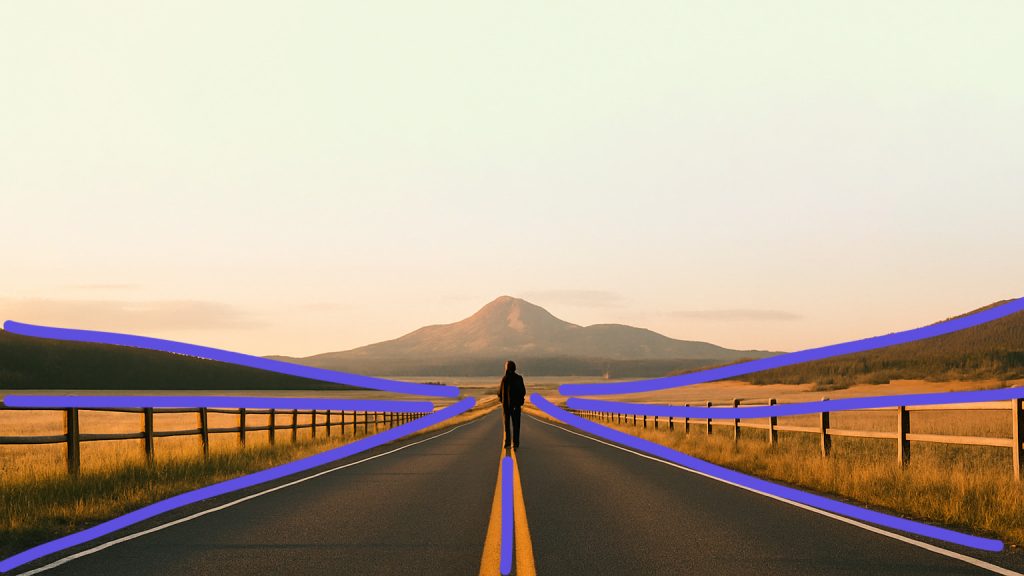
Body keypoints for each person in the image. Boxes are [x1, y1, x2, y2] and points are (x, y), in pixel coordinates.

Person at [497, 360, 526, 449]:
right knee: (516, 425)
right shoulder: (519, 378)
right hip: (516, 406)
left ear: (507, 368)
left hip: (506, 406)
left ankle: (507, 442)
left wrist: (502, 400)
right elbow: (523, 392)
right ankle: (516, 443)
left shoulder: (504, 379)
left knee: (507, 425)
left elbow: (499, 393)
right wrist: (519, 401)